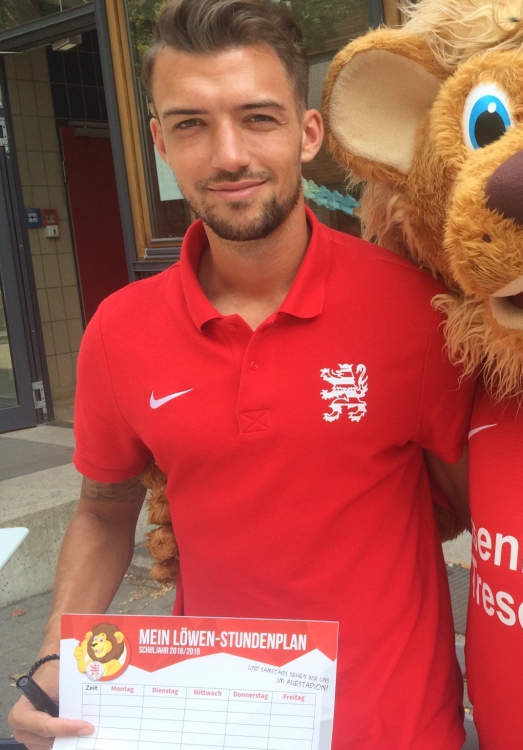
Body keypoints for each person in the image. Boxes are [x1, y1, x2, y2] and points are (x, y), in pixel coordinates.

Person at [6, 1, 472, 748]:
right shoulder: (119, 333)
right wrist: (55, 657)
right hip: (214, 720)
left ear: (308, 133)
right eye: (191, 124)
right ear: (159, 141)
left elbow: (488, 509)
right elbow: (102, 512)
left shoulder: (417, 311)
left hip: (396, 727)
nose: (228, 155)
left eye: (258, 118)